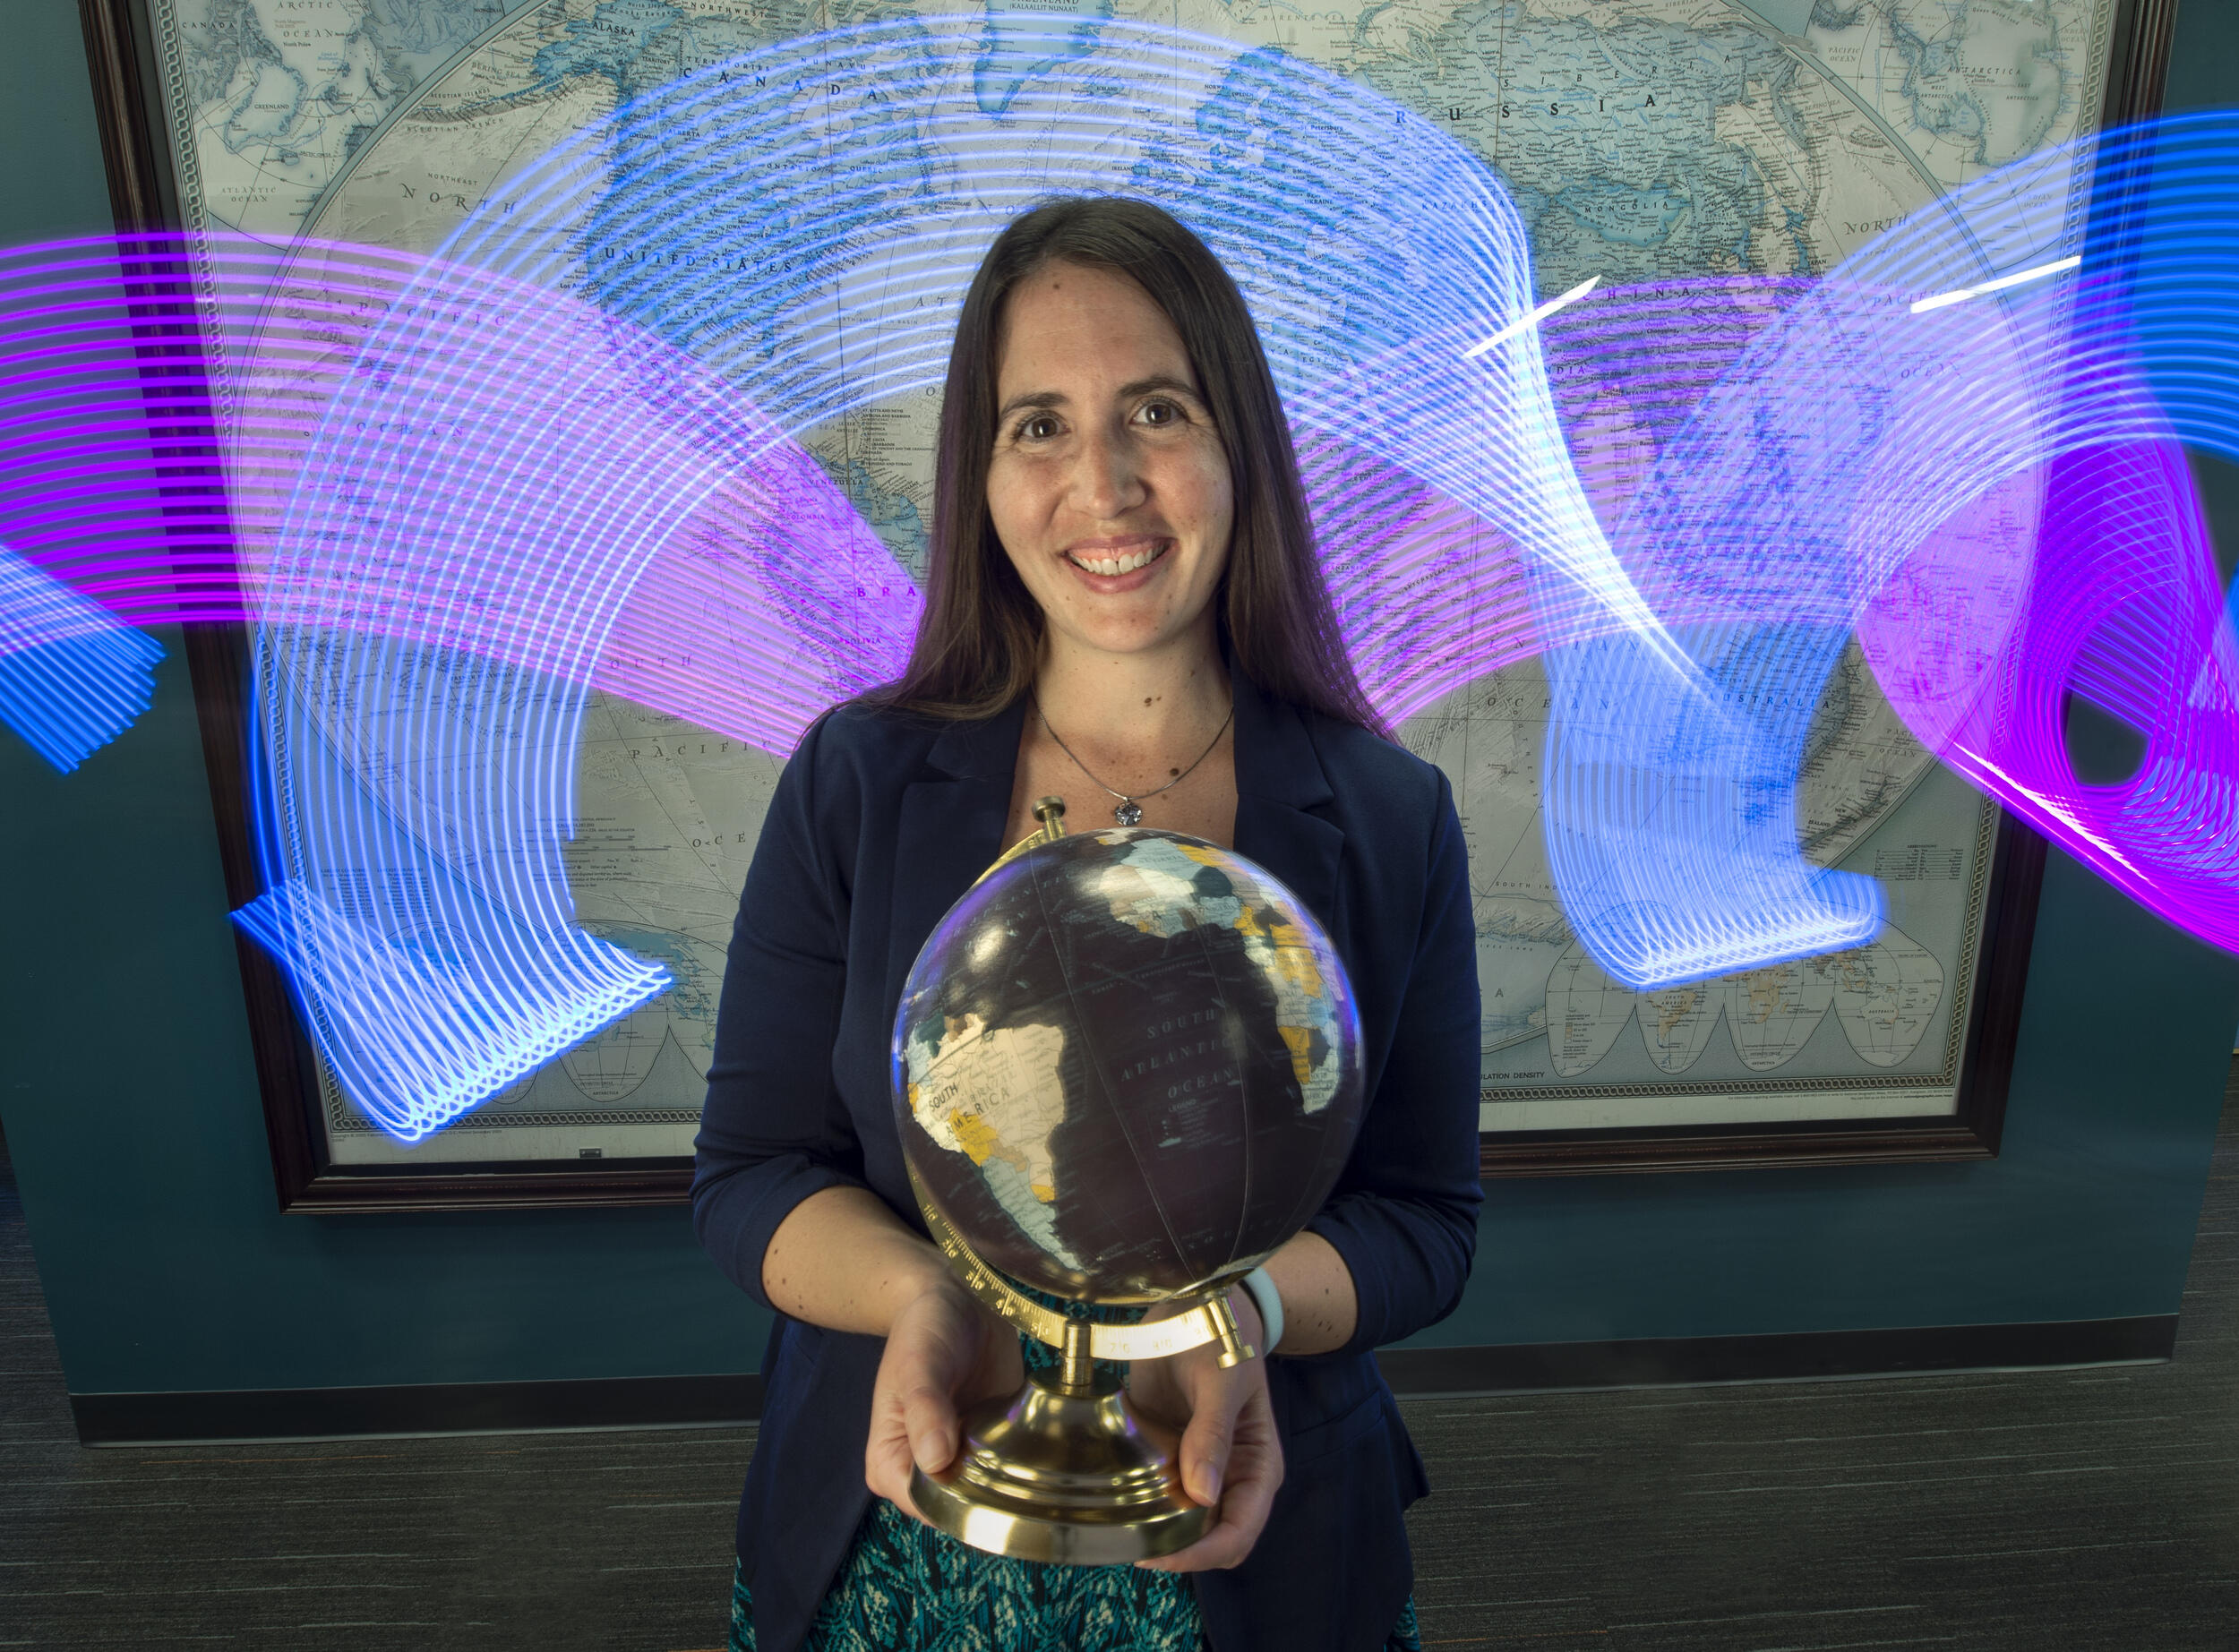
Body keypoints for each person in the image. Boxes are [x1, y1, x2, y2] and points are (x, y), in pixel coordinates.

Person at [692, 195, 1482, 1652]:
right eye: (1038, 425)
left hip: (1250, 1537)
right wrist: (925, 1294)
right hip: (896, 1543)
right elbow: (750, 1175)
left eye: (1158, 412)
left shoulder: (1387, 815)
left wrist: (1227, 1322)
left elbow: (1426, 1226)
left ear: (1237, 444)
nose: (1103, 485)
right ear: (982, 474)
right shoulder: (858, 782)